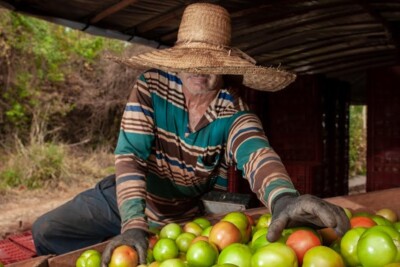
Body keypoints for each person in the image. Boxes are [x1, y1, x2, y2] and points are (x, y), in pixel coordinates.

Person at [32, 3, 350, 266]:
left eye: (210, 62)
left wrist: (284, 198)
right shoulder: (150, 87)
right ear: (177, 60)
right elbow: (130, 158)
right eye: (191, 61)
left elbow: (256, 154)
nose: (198, 70)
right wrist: (132, 224)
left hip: (179, 218)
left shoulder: (234, 113)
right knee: (47, 231)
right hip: (123, 200)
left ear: (226, 68)